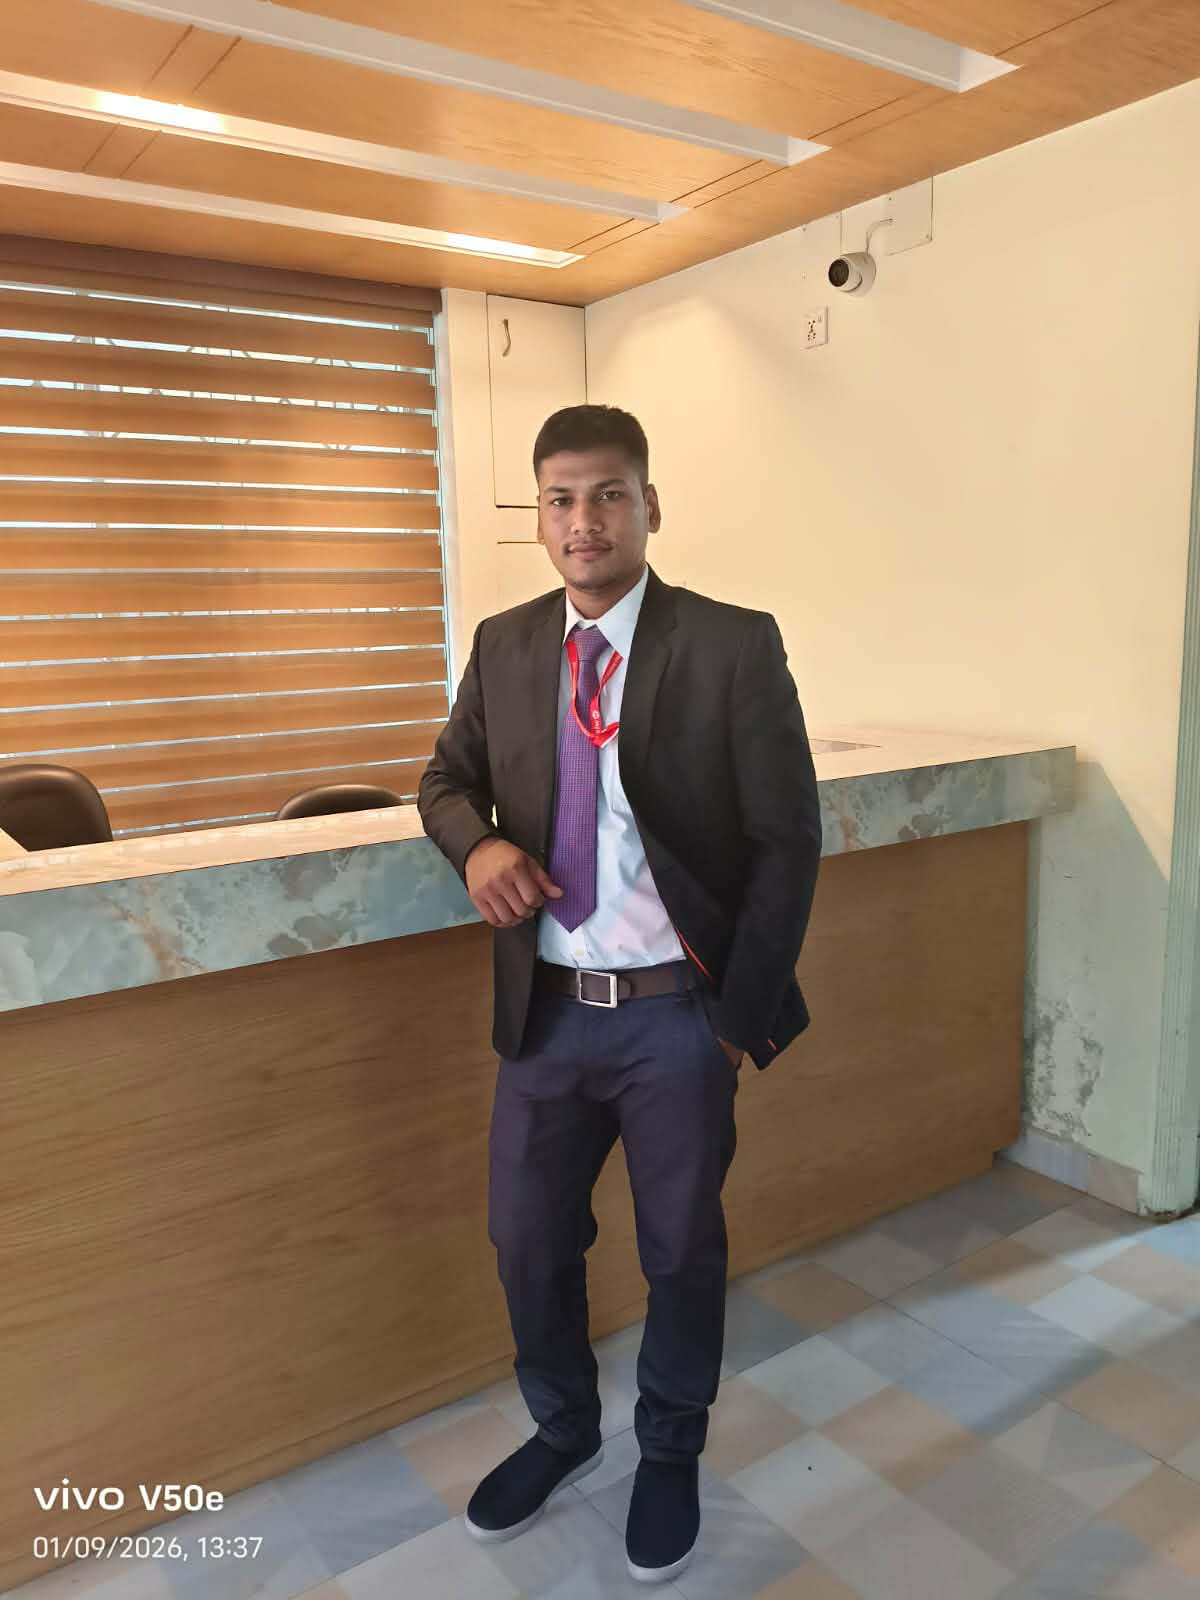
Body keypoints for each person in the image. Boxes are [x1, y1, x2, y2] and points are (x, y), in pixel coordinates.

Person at [417, 404, 821, 1584]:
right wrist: (477, 846)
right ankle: (564, 1427)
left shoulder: (731, 645)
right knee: (526, 1239)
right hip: (546, 1012)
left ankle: (670, 1447)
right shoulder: (506, 645)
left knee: (680, 1249)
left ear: (649, 506)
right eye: (560, 498)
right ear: (539, 517)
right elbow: (444, 780)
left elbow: (787, 840)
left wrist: (732, 1023)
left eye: (607, 494)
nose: (582, 519)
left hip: (675, 1017)